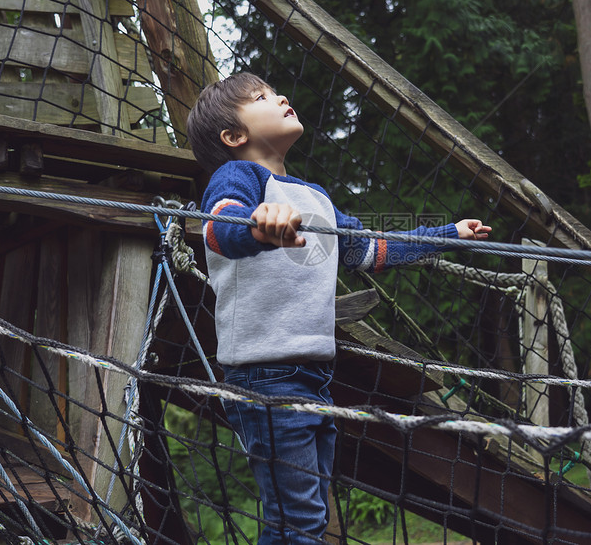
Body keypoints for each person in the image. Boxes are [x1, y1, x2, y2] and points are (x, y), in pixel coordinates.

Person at [187, 72, 491, 544]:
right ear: (233, 136)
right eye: (262, 98)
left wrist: (448, 235)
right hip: (265, 375)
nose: (281, 96)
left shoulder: (315, 198)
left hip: (315, 375)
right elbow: (219, 226)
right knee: (300, 523)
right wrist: (258, 226)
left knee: (303, 518)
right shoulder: (239, 178)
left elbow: (371, 251)